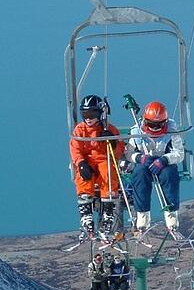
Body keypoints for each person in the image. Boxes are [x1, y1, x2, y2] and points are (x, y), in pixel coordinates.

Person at [70, 95, 126, 241]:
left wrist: (112, 143)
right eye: (85, 115)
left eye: (92, 115)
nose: (88, 118)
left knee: (108, 173)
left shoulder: (108, 128)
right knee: (83, 178)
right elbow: (75, 148)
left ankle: (108, 211)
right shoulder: (80, 130)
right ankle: (86, 213)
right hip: (87, 161)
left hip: (103, 159)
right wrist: (81, 163)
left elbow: (119, 149)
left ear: (99, 114)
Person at [125, 100, 184, 235]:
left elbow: (179, 153)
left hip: (164, 164)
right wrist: (140, 158)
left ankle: (171, 213)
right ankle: (142, 214)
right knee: (139, 174)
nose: (155, 129)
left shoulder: (171, 131)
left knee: (169, 175)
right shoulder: (137, 131)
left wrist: (165, 159)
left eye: (158, 125)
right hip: (145, 164)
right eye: (151, 125)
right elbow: (128, 153)